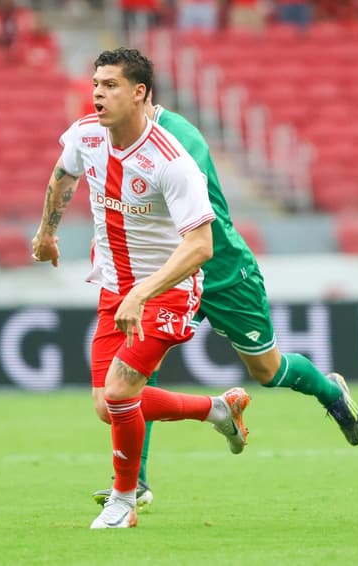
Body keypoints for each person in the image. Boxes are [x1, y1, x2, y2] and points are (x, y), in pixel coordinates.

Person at [90, 98, 358, 509]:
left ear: (142, 95)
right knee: (136, 371)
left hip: (221, 270)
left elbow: (189, 213)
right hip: (169, 275)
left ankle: (330, 391)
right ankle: (135, 481)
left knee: (267, 370)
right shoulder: (118, 139)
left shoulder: (179, 139)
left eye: (113, 88)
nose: (103, 100)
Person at [31, 47, 251, 529]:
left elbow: (200, 246)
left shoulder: (171, 161)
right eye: (95, 84)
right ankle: (218, 410)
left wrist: (143, 291)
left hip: (167, 290)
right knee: (108, 407)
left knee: (120, 391)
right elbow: (62, 173)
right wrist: (48, 231)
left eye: (109, 86)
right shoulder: (86, 136)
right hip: (114, 288)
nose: (97, 94)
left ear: (139, 93)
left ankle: (125, 501)